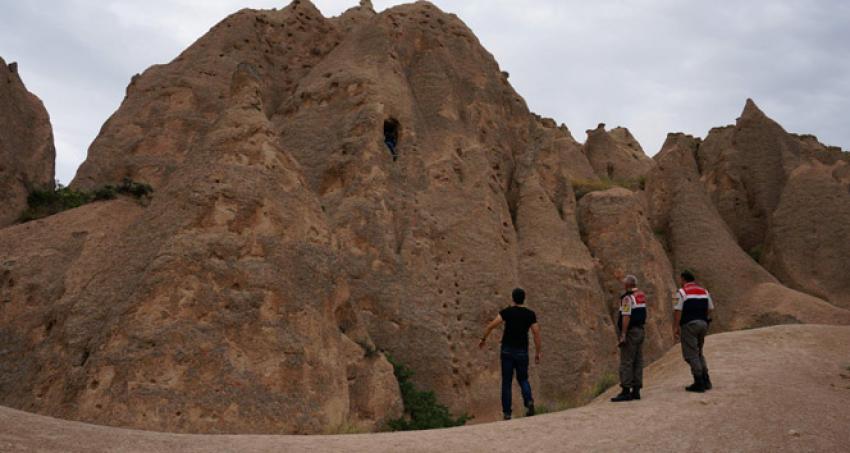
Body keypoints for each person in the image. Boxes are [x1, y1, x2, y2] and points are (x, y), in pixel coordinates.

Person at [479, 288, 541, 420]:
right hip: (522, 351)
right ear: (524, 299)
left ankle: (507, 413)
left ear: (512, 298)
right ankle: (529, 401)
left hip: (507, 350)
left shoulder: (507, 312)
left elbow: (491, 326)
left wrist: (483, 339)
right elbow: (536, 333)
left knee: (507, 382)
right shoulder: (530, 314)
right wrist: (538, 352)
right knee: (523, 379)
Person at [673, 270, 714, 392]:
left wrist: (676, 327)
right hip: (703, 324)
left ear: (683, 279)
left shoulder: (681, 292)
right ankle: (706, 380)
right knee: (699, 352)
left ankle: (699, 382)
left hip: (689, 325)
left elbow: (678, 310)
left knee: (691, 354)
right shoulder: (704, 291)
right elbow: (710, 308)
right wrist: (705, 320)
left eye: (681, 280)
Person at [610, 275, 647, 402]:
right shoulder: (641, 296)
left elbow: (626, 316)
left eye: (624, 284)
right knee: (638, 360)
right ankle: (636, 390)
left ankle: (626, 390)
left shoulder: (627, 298)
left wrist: (623, 334)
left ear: (627, 285)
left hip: (631, 332)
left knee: (627, 361)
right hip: (640, 331)